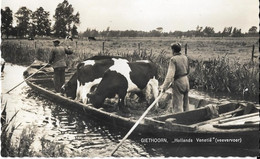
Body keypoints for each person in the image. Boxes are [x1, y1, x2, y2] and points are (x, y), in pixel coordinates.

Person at [159, 43, 190, 113]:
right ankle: (188, 117)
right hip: (186, 81)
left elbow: (169, 76)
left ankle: (177, 119)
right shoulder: (185, 57)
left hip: (178, 82)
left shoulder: (173, 59)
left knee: (177, 105)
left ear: (173, 50)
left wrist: (164, 87)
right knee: (186, 104)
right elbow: (188, 70)